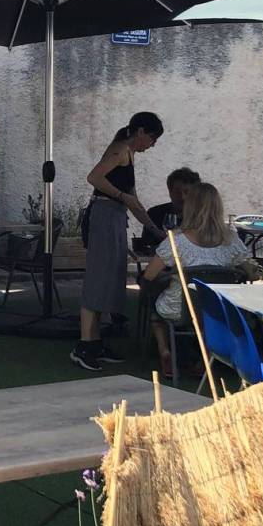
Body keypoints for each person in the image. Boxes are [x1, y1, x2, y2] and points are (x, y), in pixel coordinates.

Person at [72, 112, 163, 372]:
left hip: (115, 217)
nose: (152, 145)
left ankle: (96, 342)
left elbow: (134, 200)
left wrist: (154, 229)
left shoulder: (129, 155)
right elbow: (94, 177)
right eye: (152, 138)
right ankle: (84, 346)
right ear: (141, 131)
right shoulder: (120, 149)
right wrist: (121, 196)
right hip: (104, 215)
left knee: (111, 278)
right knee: (98, 278)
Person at [142, 181, 249, 379]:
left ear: (189, 207)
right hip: (218, 309)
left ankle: (164, 350)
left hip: (181, 308)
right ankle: (205, 357)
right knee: (206, 313)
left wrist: (170, 274)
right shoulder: (232, 240)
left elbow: (149, 275)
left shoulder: (177, 241)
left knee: (157, 308)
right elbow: (253, 273)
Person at [135, 167, 202, 254]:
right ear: (170, 192)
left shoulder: (202, 215)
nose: (182, 197)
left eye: (187, 192)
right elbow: (148, 247)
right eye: (177, 192)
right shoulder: (155, 213)